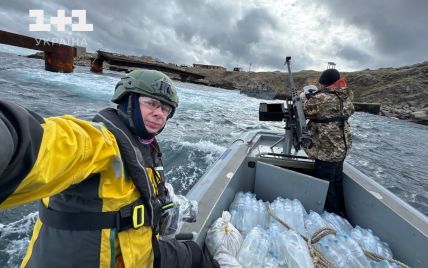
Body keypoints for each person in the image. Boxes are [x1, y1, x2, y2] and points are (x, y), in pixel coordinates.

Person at [0, 69, 218, 268]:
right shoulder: (100, 142)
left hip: (138, 253)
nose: (159, 113)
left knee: (195, 254)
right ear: (128, 101)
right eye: (151, 103)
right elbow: (47, 143)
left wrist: (168, 205)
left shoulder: (144, 148)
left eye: (165, 108)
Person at [302, 68, 354, 217]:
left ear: (324, 83)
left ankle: (334, 216)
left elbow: (306, 109)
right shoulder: (346, 96)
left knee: (326, 184)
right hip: (341, 147)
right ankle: (341, 213)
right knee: (336, 181)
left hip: (327, 149)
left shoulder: (322, 98)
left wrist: (305, 96)